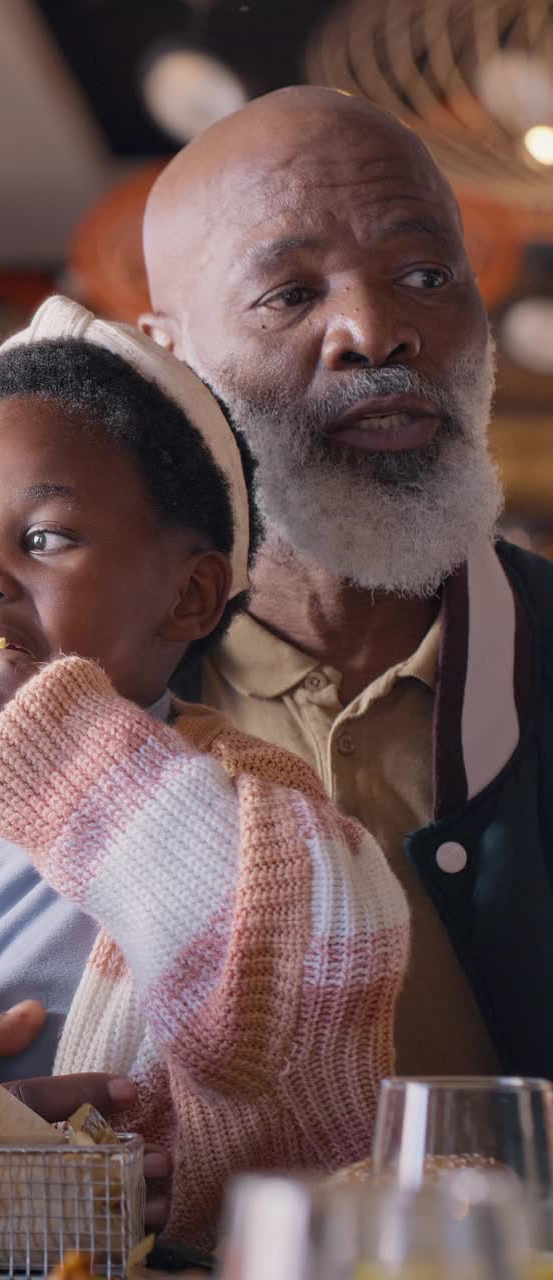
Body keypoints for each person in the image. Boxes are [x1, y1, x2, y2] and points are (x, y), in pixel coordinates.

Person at [0, 297, 409, 1247]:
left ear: (188, 597)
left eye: (45, 537)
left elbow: (307, 988)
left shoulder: (248, 800)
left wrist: (60, 749)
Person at [139, 85, 553, 1080]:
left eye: (423, 273)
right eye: (289, 293)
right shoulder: (95, 699)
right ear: (173, 362)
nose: (375, 330)